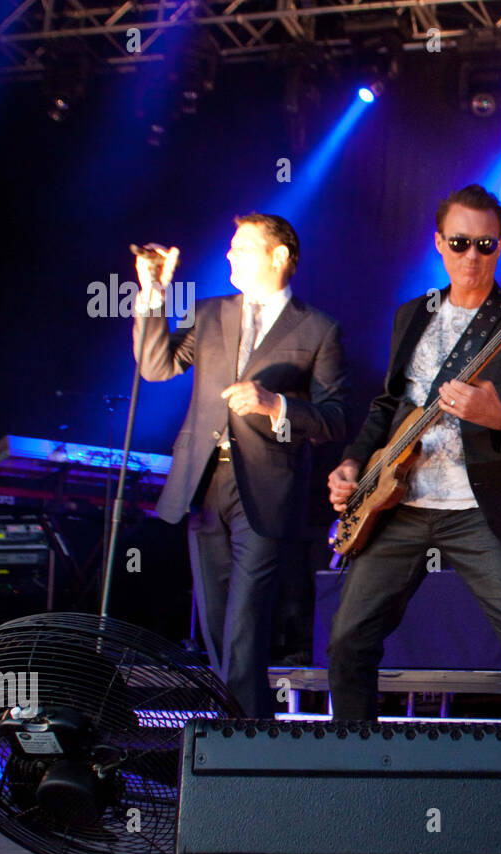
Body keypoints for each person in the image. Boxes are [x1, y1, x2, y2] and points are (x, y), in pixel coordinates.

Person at [326, 184, 501, 724]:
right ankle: (350, 770)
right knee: (348, 643)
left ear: (500, 246)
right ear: (439, 244)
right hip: (397, 504)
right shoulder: (412, 314)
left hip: (480, 509)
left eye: (486, 244)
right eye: (460, 241)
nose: (472, 255)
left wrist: (497, 415)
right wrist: (355, 463)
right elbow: (387, 405)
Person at [132, 213, 349, 716]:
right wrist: (151, 294)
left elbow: (336, 418)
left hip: (268, 487)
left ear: (279, 256)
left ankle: (242, 740)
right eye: (230, 246)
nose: (230, 254)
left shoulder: (318, 328)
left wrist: (276, 405)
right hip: (205, 480)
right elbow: (156, 365)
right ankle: (246, 728)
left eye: (243, 246)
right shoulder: (209, 313)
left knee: (244, 621)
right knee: (213, 617)